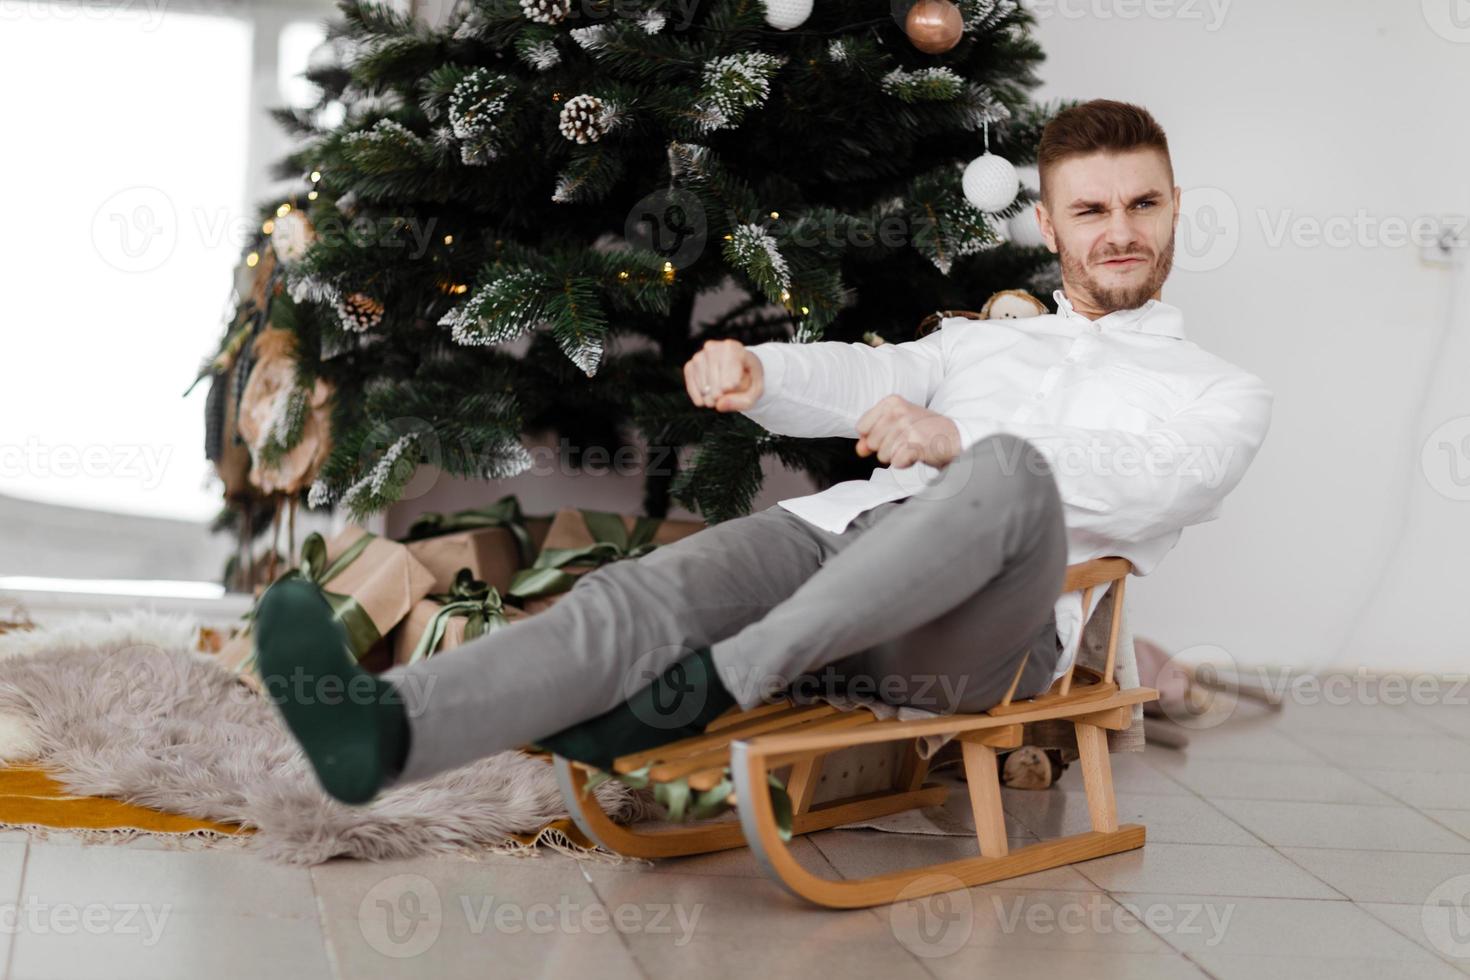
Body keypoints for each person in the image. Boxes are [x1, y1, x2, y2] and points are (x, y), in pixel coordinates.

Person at [254, 99, 1274, 805]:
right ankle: (384, 732)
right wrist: (764, 375)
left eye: (1142, 205)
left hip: (971, 639)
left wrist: (961, 439)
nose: (1120, 232)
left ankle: (721, 681)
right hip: (838, 552)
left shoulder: (1222, 392)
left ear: (1174, 207)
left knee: (1009, 473)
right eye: (1092, 209)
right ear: (1050, 223)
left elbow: (1151, 483)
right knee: (642, 594)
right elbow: (863, 375)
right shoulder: (983, 341)